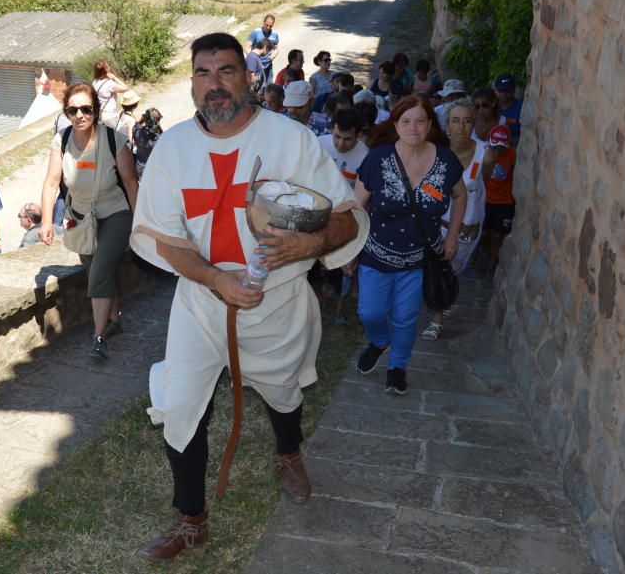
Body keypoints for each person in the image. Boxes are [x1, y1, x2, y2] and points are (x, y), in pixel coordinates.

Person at [130, 32, 365, 562]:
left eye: (226, 71)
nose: (214, 85)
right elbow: (166, 240)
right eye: (203, 74)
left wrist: (310, 241)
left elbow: (347, 218)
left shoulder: (291, 140)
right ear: (191, 83)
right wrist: (216, 279)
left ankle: (288, 452)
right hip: (201, 301)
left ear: (248, 76)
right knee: (179, 402)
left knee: (284, 391)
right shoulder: (172, 148)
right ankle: (191, 518)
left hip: (276, 299)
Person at [353, 95, 467, 395]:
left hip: (419, 260)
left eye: (420, 121)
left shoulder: (445, 161)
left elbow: (460, 195)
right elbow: (355, 207)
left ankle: (397, 368)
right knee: (370, 313)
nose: (413, 127)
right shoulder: (377, 159)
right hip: (375, 255)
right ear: (396, 124)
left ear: (430, 124)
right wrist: (347, 249)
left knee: (405, 319)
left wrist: (452, 235)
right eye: (406, 121)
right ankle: (379, 342)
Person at [39, 82, 139, 361]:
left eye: (86, 109)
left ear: (95, 110)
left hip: (115, 213)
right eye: (73, 110)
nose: (79, 115)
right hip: (80, 218)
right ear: (66, 112)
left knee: (98, 273)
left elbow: (131, 182)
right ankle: (115, 318)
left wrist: (141, 222)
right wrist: (47, 220)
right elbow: (51, 182)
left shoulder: (112, 139)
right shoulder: (61, 140)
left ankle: (99, 336)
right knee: (98, 269)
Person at [421, 100, 495, 340]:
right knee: (440, 269)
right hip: (438, 223)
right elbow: (427, 187)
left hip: (468, 227)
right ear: (446, 125)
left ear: (474, 124)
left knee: (454, 269)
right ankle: (437, 318)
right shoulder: (435, 153)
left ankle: (446, 297)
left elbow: (480, 187)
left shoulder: (486, 154)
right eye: (455, 121)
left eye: (467, 121)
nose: (461, 127)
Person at [319, 108, 371, 327]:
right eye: (337, 136)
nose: (340, 144)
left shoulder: (365, 155)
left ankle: (339, 309)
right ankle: (319, 296)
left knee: (345, 264)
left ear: (358, 135)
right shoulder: (318, 143)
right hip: (317, 212)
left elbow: (363, 197)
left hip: (346, 217)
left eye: (347, 139)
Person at [482, 124, 515, 274]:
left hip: (505, 201)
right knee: (484, 233)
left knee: (498, 235)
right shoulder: (484, 153)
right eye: (495, 146)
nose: (498, 150)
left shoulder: (512, 154)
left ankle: (492, 262)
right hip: (486, 200)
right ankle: (477, 256)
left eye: (502, 146)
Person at [91, 60, 130, 130]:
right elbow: (126, 88)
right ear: (104, 70)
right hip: (110, 115)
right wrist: (114, 77)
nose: (109, 66)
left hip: (100, 116)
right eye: (107, 66)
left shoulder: (94, 83)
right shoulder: (109, 84)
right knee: (124, 135)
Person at [130, 107, 164, 178]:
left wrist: (143, 119)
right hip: (154, 171)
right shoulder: (158, 138)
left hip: (141, 169)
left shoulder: (136, 130)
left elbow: (137, 123)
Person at [246, 13, 279, 85]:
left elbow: (276, 48)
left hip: (268, 65)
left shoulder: (274, 34)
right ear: (264, 21)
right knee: (258, 88)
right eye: (267, 25)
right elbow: (247, 47)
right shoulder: (256, 32)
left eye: (270, 26)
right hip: (257, 66)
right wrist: (253, 58)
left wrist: (274, 55)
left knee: (270, 87)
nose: (268, 27)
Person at [494, 74, 523, 147]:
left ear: (514, 90)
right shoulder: (489, 106)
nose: (504, 94)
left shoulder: (522, 108)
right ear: (495, 90)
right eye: (500, 90)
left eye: (507, 91)